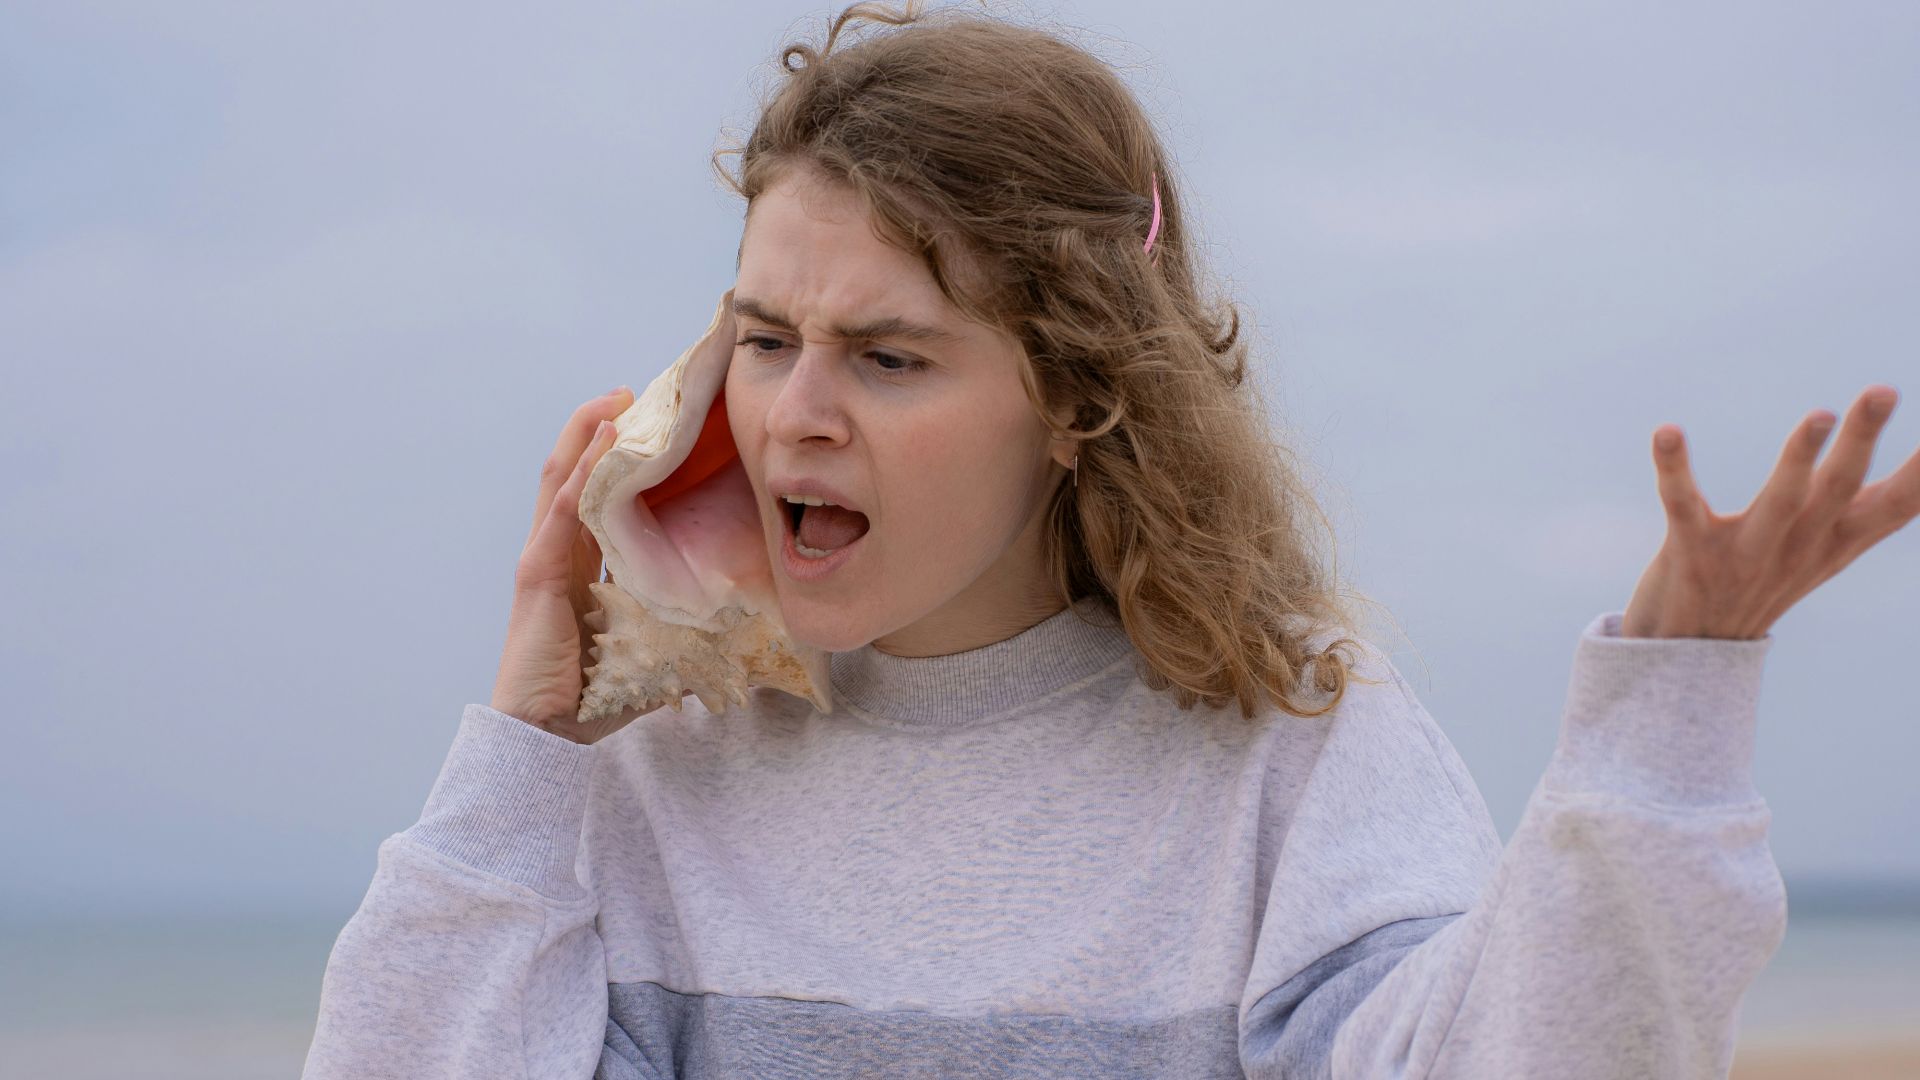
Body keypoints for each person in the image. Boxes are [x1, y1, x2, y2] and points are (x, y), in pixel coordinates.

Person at [301, 4, 1918, 1078]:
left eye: (890, 355)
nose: (796, 412)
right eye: (767, 337)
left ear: (1078, 396)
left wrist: (1665, 714)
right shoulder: (654, 776)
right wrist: (521, 764)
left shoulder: (1288, 740)